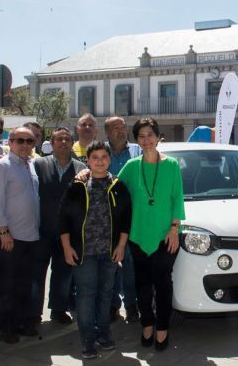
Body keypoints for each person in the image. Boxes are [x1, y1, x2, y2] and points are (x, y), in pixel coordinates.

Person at [59, 141, 132, 359]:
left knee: (105, 294)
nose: (100, 161)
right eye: (95, 157)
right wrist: (66, 247)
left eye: (104, 157)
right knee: (86, 295)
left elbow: (126, 219)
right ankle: (87, 340)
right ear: (88, 161)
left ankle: (104, 334)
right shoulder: (77, 185)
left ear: (109, 160)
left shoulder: (118, 186)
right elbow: (63, 218)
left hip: (109, 252)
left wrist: (120, 246)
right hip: (84, 253)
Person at [118, 118, 185, 351]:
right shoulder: (131, 166)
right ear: (137, 140)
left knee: (164, 284)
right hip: (138, 235)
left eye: (150, 134)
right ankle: (147, 324)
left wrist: (175, 228)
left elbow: (177, 198)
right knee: (143, 285)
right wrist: (86, 174)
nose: (146, 140)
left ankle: (163, 329)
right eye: (141, 136)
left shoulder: (172, 165)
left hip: (167, 235)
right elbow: (113, 187)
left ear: (158, 137)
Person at [0, 126, 41, 343]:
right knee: (7, 284)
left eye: (29, 141)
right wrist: (3, 231)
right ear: (10, 142)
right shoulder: (3, 166)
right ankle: (5, 325)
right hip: (9, 237)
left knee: (24, 283)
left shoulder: (30, 165)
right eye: (20, 140)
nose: (25, 145)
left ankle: (20, 322)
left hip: (30, 236)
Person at [31, 127, 87, 327]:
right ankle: (33, 313)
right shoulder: (38, 164)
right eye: (59, 139)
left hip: (68, 234)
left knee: (63, 274)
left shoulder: (82, 169)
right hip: (42, 229)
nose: (63, 142)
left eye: (67, 139)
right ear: (51, 143)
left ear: (72, 143)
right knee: (37, 273)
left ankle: (58, 309)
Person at [105, 116, 141, 322]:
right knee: (110, 264)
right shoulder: (101, 152)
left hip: (132, 218)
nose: (120, 131)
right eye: (115, 128)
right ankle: (112, 305)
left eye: (123, 127)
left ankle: (131, 304)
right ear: (107, 132)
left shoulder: (137, 151)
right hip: (107, 218)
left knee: (129, 265)